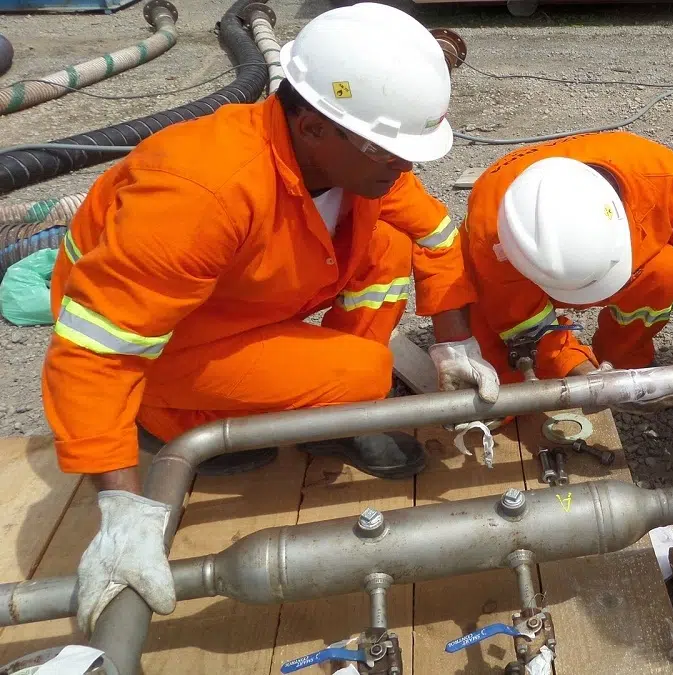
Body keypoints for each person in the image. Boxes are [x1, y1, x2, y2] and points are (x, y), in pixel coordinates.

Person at [41, 3, 498, 634]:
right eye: (392, 151)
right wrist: (122, 511)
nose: (406, 167)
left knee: (389, 242)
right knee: (366, 371)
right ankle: (164, 419)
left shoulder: (363, 161)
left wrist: (454, 345)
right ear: (312, 128)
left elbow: (438, 236)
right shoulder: (203, 192)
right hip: (162, 341)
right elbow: (97, 354)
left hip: (235, 302)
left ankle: (324, 417)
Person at [462, 131, 673, 413]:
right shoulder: (494, 235)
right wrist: (587, 378)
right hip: (512, 279)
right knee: (501, 390)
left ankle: (628, 362)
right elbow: (523, 322)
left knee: (664, 270)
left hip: (585, 260)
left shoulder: (662, 178)